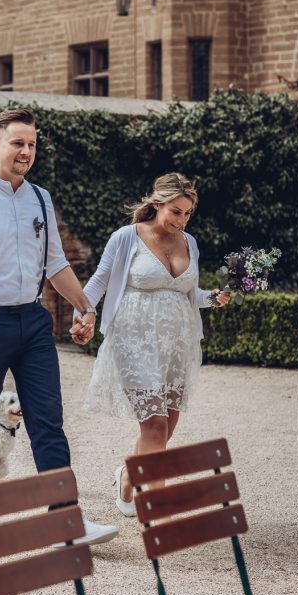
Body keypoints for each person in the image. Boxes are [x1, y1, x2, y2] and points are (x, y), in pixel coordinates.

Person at [0, 107, 118, 545]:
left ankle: (65, 519)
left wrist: (85, 307)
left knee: (48, 421)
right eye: (18, 143)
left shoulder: (40, 198)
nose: (26, 151)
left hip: (32, 322)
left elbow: (56, 263)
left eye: (32, 144)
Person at [78, 172, 231, 517]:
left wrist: (212, 298)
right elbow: (99, 281)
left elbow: (187, 292)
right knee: (155, 426)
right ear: (157, 203)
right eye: (176, 211)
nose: (182, 220)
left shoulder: (190, 242)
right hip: (134, 339)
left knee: (165, 429)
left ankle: (127, 477)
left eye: (188, 213)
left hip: (177, 344)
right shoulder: (126, 237)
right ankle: (158, 513)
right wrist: (83, 313)